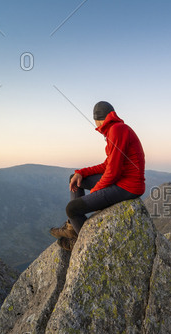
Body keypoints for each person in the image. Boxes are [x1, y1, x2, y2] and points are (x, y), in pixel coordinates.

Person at [50, 101, 146, 250]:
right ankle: (73, 229)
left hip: (127, 187)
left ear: (98, 119)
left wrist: (95, 193)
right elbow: (107, 165)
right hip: (124, 182)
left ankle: (83, 243)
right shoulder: (117, 129)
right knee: (74, 179)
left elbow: (113, 172)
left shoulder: (116, 130)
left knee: (72, 209)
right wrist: (80, 173)